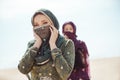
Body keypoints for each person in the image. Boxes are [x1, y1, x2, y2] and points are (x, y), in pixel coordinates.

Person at [18, 9, 75, 80]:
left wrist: (52, 45)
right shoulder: (32, 45)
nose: (41, 27)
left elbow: (65, 74)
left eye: (44, 23)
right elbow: (23, 69)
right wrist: (37, 44)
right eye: (36, 25)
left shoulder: (66, 44)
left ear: (53, 24)